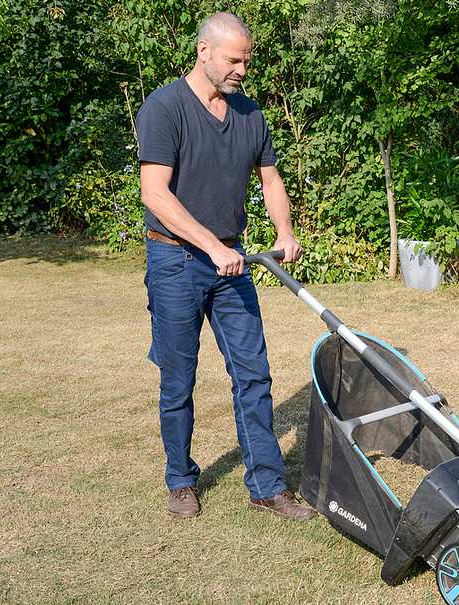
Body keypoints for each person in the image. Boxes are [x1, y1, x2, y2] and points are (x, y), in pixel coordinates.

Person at [137, 11, 315, 520]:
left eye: (247, 60)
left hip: (231, 261)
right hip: (175, 259)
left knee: (254, 375)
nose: (242, 69)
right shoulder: (165, 108)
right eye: (234, 59)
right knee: (178, 377)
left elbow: (270, 179)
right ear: (204, 52)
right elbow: (156, 194)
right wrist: (210, 247)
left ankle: (266, 485)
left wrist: (284, 231)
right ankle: (180, 479)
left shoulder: (249, 113)